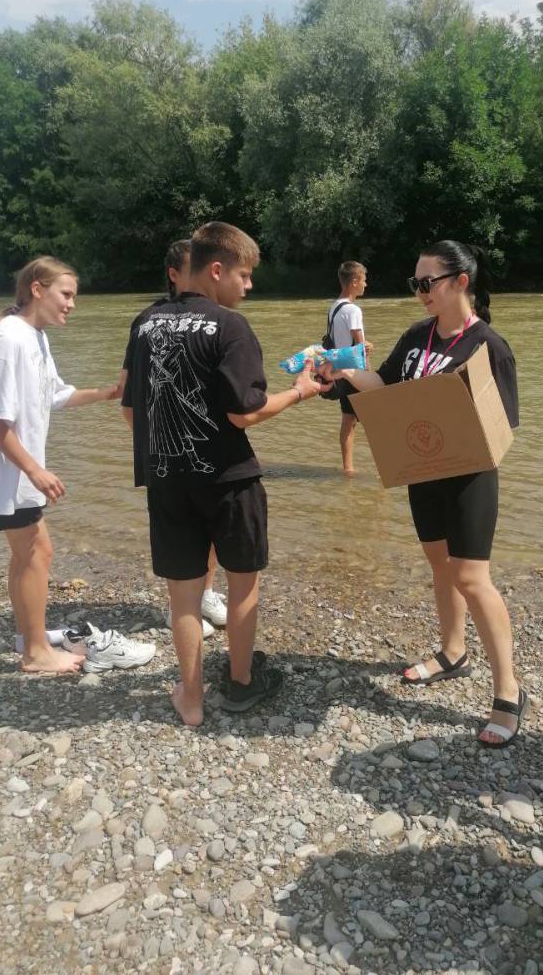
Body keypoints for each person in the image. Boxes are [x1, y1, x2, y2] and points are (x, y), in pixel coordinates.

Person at [121, 221, 327, 726]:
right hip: (230, 481)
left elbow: (130, 408)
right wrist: (300, 391)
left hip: (166, 479)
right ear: (216, 270)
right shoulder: (231, 326)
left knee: (184, 595)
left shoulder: (145, 322)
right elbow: (245, 412)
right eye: (245, 274)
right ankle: (240, 682)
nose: (249, 285)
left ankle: (190, 699)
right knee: (241, 583)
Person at [320, 240, 525, 747]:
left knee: (472, 578)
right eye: (415, 283)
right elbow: (384, 383)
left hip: (471, 476)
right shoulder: (418, 336)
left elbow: (504, 424)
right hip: (423, 470)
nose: (420, 291)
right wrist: (340, 369)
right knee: (440, 567)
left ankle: (509, 691)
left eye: (427, 282)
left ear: (461, 281)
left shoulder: (489, 346)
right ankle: (453, 653)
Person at [0, 257, 121, 674]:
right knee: (36, 552)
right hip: (6, 474)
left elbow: (54, 395)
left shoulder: (35, 337)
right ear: (36, 289)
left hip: (13, 473)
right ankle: (35, 653)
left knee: (27, 553)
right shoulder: (8, 338)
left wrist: (106, 393)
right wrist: (34, 469)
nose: (71, 304)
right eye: (65, 294)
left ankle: (27, 637)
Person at [121, 239, 227, 634]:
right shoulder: (146, 320)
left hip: (208, 450)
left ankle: (207, 593)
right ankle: (179, 605)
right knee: (180, 537)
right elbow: (128, 397)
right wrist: (155, 444)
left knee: (211, 532)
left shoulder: (215, 318)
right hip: (166, 443)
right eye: (193, 269)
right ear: (174, 274)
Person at [326, 261, 372, 474]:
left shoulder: (335, 307)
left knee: (348, 420)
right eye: (364, 280)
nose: (365, 284)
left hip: (340, 370)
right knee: (376, 421)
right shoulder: (353, 310)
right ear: (354, 282)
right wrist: (370, 375)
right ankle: (385, 469)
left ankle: (348, 469)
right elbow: (361, 348)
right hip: (355, 372)